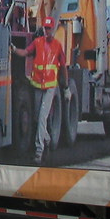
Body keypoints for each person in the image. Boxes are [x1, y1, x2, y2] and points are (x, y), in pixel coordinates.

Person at [16, 16, 67, 164]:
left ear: (53, 29)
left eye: (49, 28)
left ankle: (39, 151)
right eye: (45, 28)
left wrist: (66, 87)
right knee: (38, 118)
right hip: (38, 85)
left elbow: (63, 67)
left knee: (42, 118)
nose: (47, 31)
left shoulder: (57, 46)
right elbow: (25, 52)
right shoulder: (37, 43)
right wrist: (14, 49)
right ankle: (47, 139)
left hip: (50, 87)